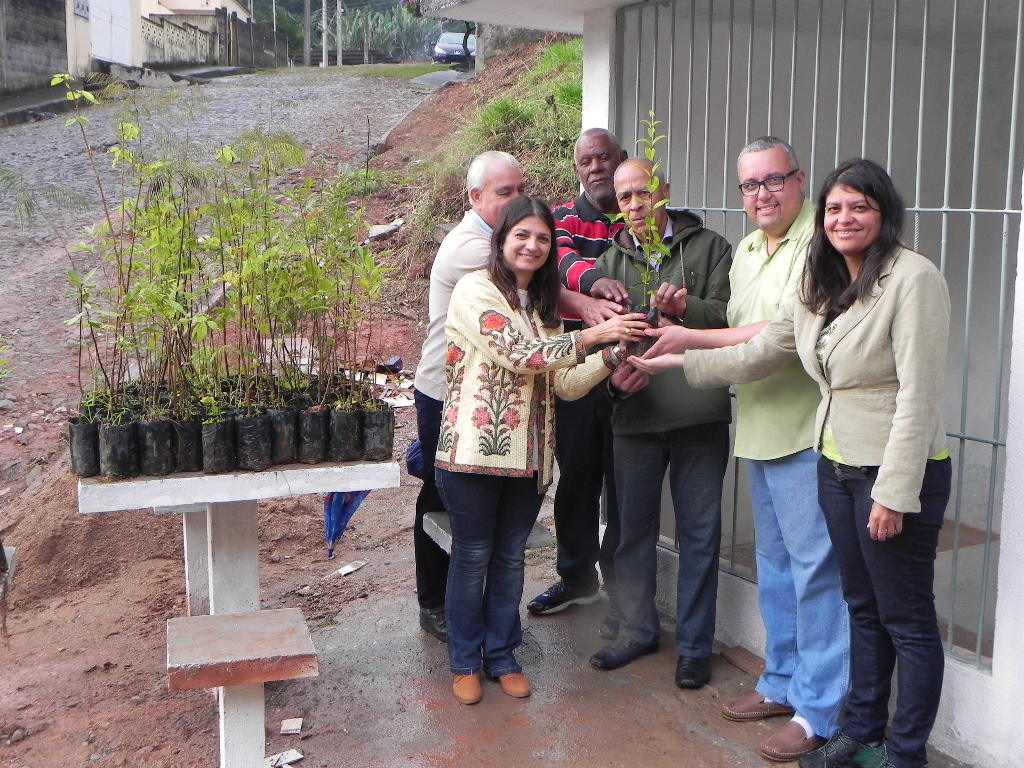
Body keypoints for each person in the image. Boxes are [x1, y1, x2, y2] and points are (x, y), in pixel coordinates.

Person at [632, 158, 951, 768]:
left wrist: (895, 491)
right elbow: (769, 346)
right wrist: (679, 361)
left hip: (890, 471)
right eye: (836, 208)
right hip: (836, 462)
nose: (844, 218)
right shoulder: (826, 280)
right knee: (861, 606)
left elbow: (919, 395)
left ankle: (905, 753)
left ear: (884, 214)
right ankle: (860, 734)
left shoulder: (913, 279)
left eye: (859, 206)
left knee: (904, 618)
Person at [642, 137, 849, 762]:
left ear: (800, 180)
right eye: (750, 185)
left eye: (773, 181)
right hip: (759, 427)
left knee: (817, 572)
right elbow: (737, 323)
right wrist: (686, 321)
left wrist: (687, 341)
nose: (762, 194)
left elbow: (777, 334)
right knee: (778, 566)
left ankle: (820, 709)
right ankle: (782, 681)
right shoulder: (751, 249)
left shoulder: (820, 243)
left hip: (810, 430)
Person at [435, 196, 648, 705]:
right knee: (472, 559)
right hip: (471, 456)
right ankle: (466, 661)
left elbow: (566, 384)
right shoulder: (476, 290)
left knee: (510, 561)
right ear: (502, 241)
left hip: (529, 460)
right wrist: (597, 332)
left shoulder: (546, 307)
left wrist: (612, 353)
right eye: (522, 236)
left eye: (543, 239)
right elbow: (520, 354)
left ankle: (503, 655)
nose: (532, 246)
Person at [588, 159, 733, 691]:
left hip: (698, 411)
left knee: (699, 535)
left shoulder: (710, 247)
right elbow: (598, 345)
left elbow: (729, 320)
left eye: (642, 193)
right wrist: (612, 384)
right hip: (635, 418)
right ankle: (636, 629)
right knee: (632, 532)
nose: (633, 205)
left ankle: (695, 646)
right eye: (623, 198)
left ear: (663, 191)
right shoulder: (610, 261)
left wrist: (686, 306)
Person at [413, 151, 526, 642]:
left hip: (480, 391)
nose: (515, 200)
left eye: (520, 190)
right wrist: (587, 305)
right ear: (475, 197)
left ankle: (472, 606)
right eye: (504, 193)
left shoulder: (499, 239)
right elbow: (531, 275)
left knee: (478, 503)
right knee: (442, 497)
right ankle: (435, 602)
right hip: (444, 393)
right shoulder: (469, 247)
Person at [528, 128, 631, 638]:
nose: (596, 168)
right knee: (578, 481)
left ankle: (621, 588)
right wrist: (594, 286)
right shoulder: (563, 219)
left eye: (605, 158)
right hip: (574, 371)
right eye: (586, 160)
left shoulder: (637, 218)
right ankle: (575, 577)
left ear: (623, 160)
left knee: (626, 483)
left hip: (630, 372)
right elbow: (560, 263)